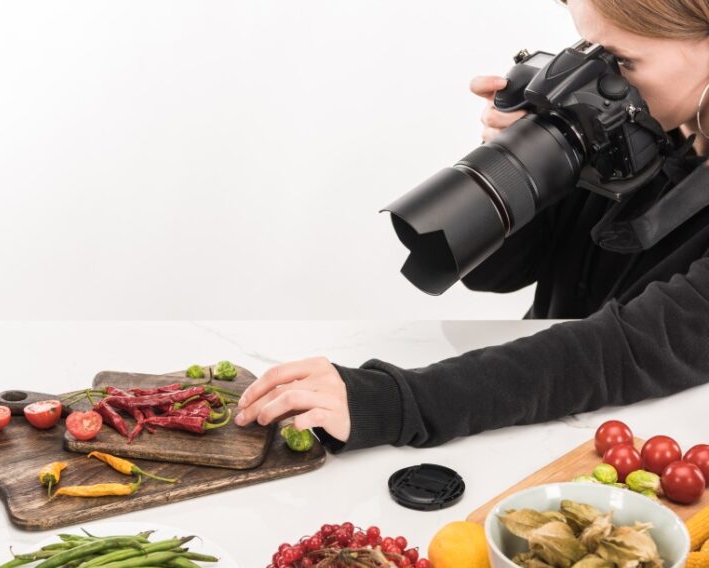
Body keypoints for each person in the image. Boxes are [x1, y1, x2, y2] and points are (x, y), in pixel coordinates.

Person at [234, 0, 709, 452]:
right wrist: (524, 157)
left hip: (647, 448)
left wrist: (393, 401)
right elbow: (499, 275)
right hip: (536, 422)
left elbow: (631, 348)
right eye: (587, 48)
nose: (595, 77)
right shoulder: (642, 127)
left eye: (622, 61)